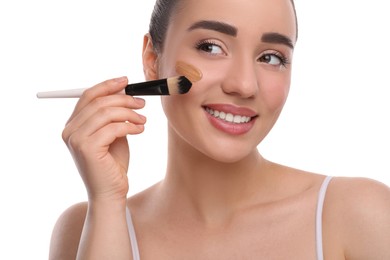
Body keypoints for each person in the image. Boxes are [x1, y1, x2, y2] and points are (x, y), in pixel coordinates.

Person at [49, 0, 390, 259]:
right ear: (153, 59)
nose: (244, 84)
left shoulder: (358, 213)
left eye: (271, 57)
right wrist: (107, 202)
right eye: (211, 47)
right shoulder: (84, 226)